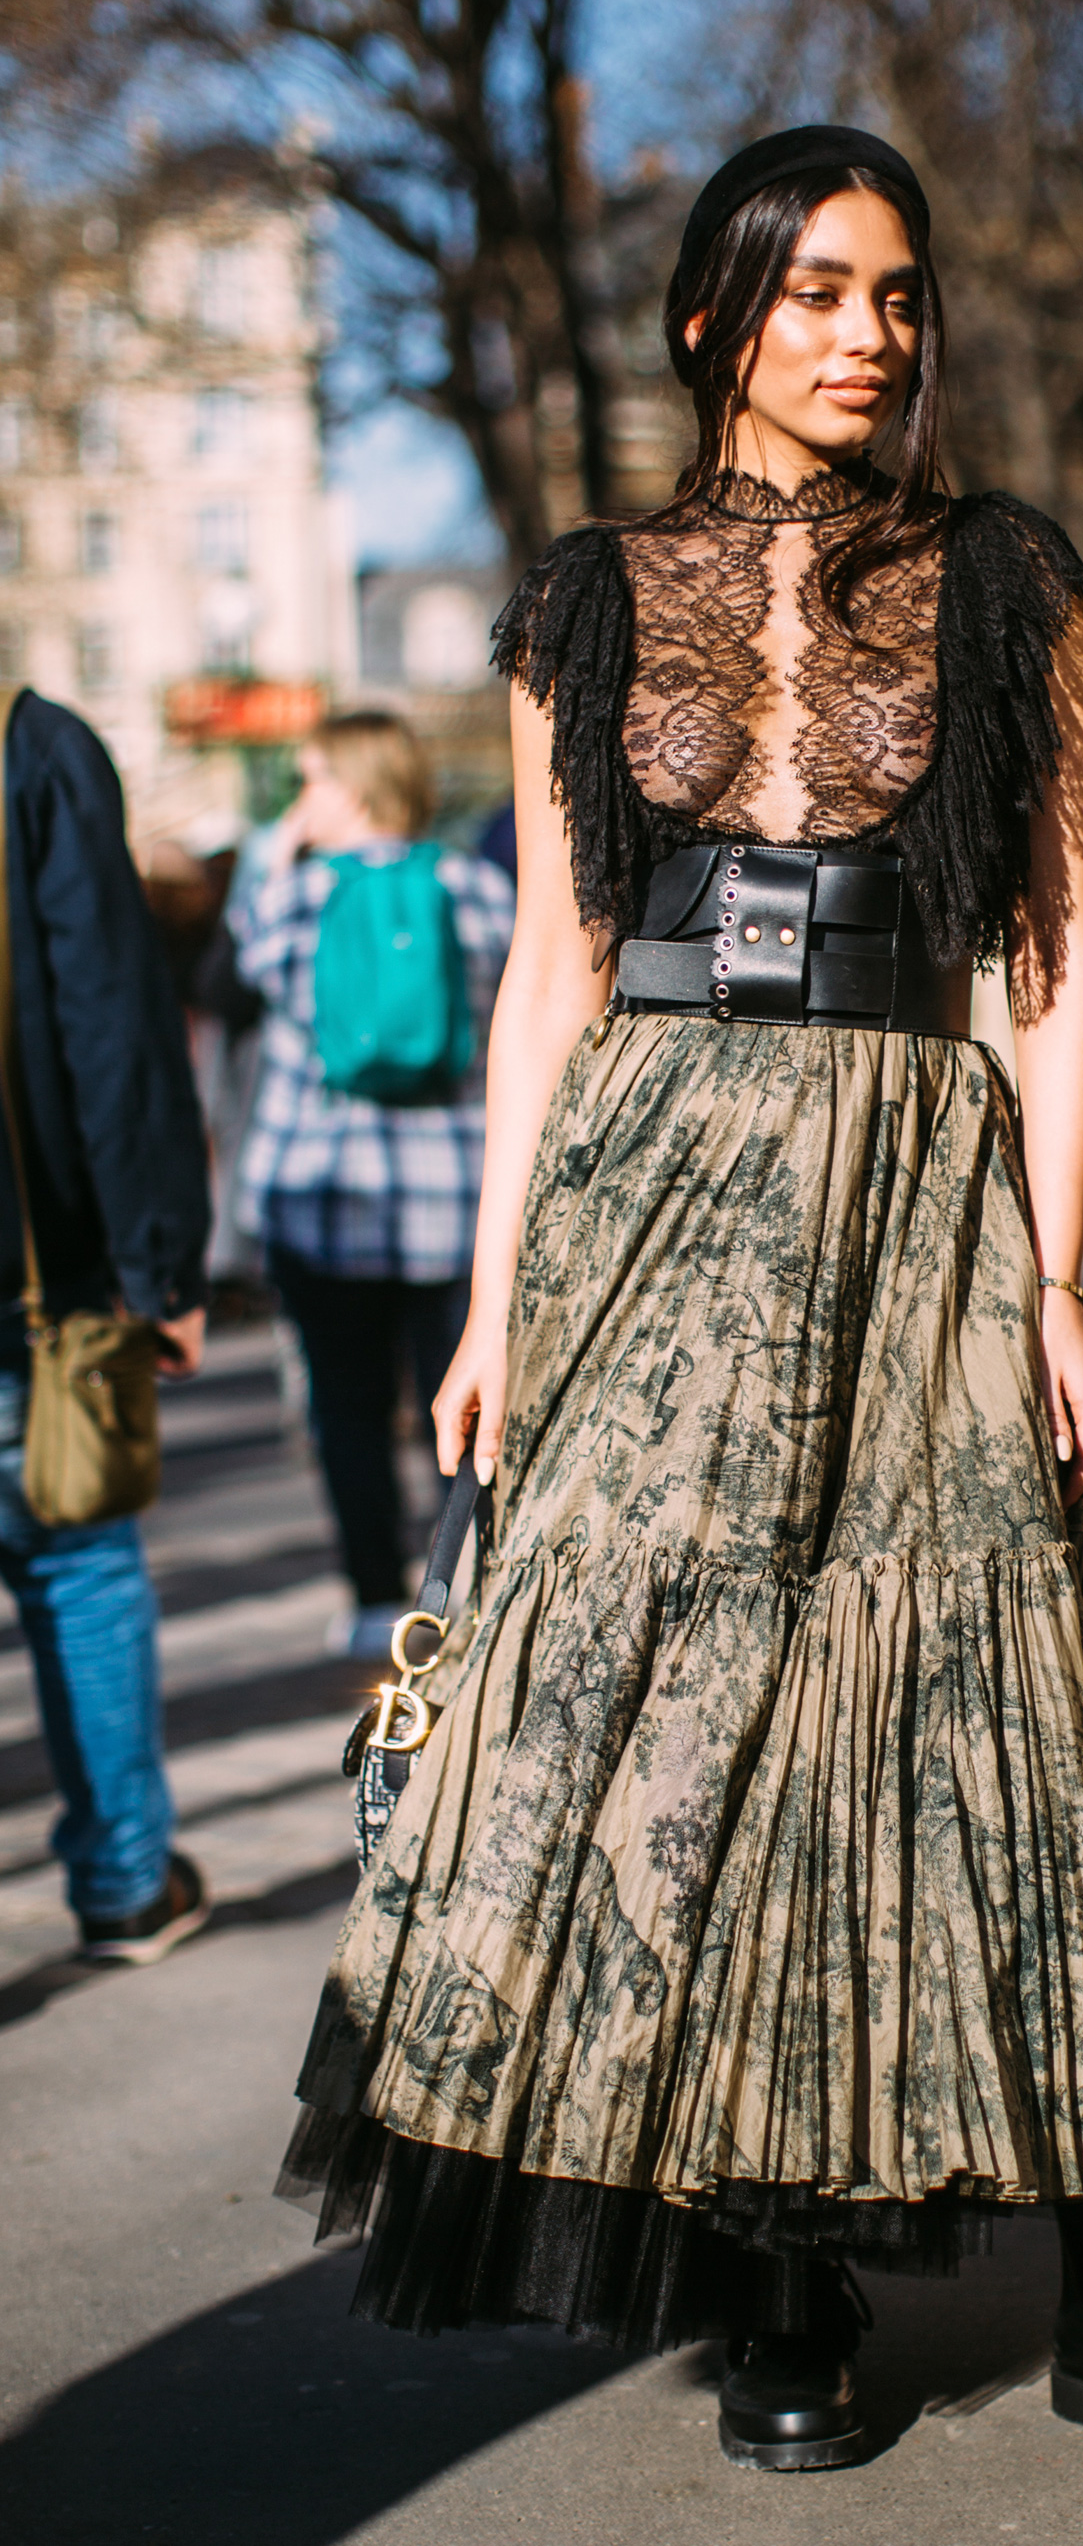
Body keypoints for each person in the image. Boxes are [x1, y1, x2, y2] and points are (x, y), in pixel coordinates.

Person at [279, 130, 1083, 2480]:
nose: (872, 332)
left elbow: (1058, 958)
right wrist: (495, 1297)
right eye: (822, 292)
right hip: (655, 1193)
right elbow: (553, 977)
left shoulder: (1008, 582)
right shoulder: (590, 600)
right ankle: (780, 2280)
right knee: (703, 1742)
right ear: (715, 318)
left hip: (917, 1175)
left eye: (901, 294)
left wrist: (1062, 1275)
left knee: (1033, 1703)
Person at [0, 687, 212, 1963]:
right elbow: (110, 1024)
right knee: (77, 1566)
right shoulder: (32, 751)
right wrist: (161, 1262)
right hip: (37, 1280)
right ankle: (127, 1881)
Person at [232, 715, 514, 1657]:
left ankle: (367, 1598)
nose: (298, 801)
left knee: (345, 1406)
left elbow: (249, 972)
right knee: (461, 1410)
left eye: (310, 781)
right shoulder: (473, 886)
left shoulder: (295, 897)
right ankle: (459, 1594)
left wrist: (275, 854)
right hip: (458, 1201)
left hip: (325, 1196)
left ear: (349, 788)